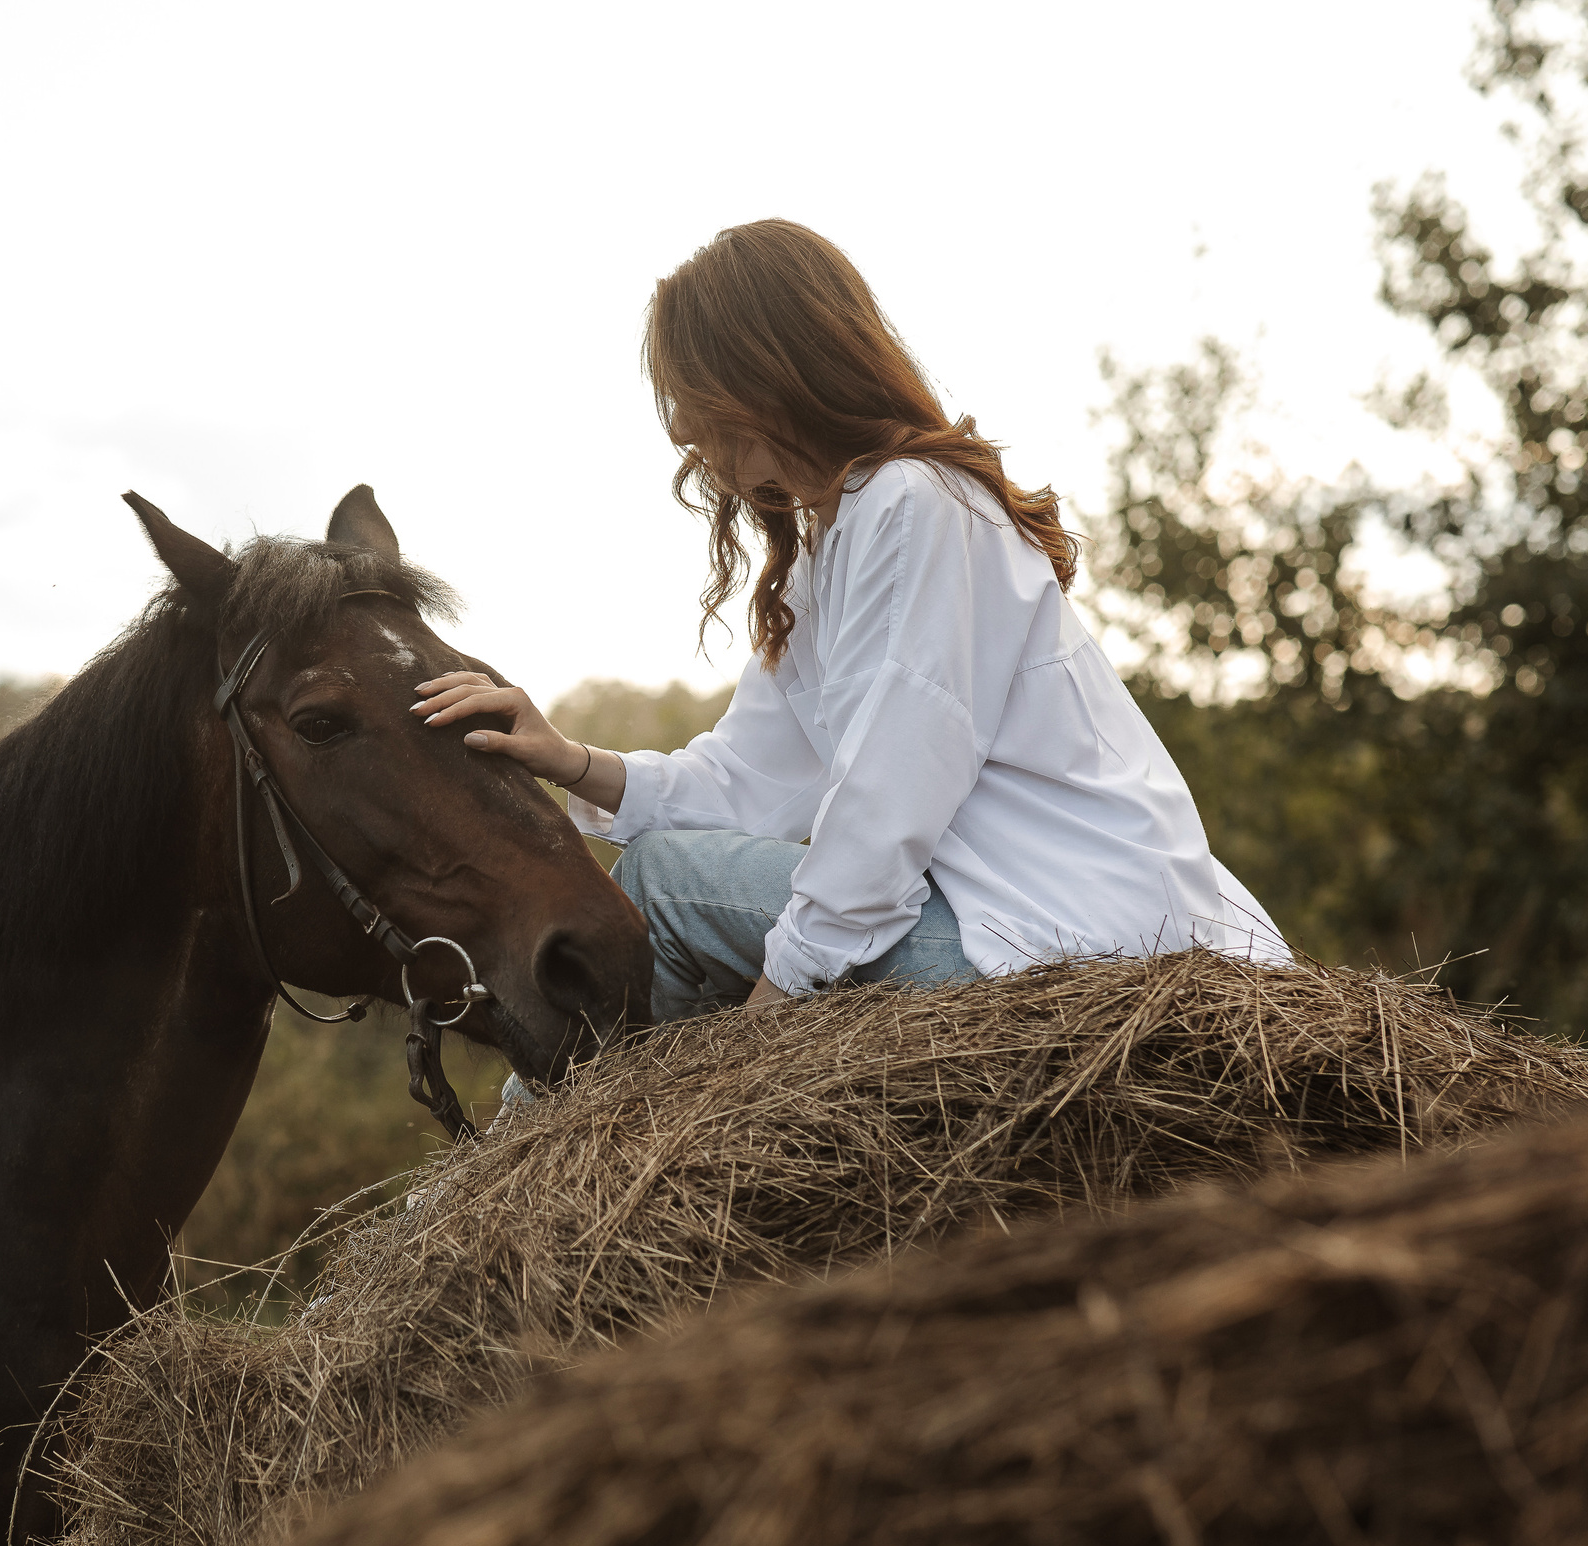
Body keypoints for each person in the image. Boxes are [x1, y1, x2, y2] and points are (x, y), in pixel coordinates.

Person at [412, 219, 1283, 1038]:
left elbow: (885, 800)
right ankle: (530, 1167)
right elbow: (744, 781)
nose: (679, 427)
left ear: (767, 371)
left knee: (661, 885)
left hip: (1075, 945)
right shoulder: (828, 549)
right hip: (1003, 924)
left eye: (689, 391)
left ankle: (531, 1173)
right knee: (666, 869)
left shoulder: (913, 504)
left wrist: (768, 1011)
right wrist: (570, 759)